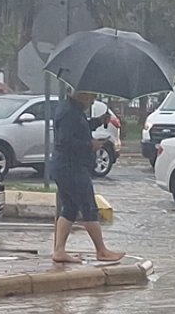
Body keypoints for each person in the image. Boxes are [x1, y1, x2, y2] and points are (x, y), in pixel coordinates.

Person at [50, 90, 124, 264]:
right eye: (91, 96)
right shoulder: (69, 112)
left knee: (70, 208)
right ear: (81, 95)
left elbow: (78, 129)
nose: (93, 100)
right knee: (89, 207)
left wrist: (99, 122)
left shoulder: (72, 110)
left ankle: (59, 250)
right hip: (71, 168)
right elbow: (65, 140)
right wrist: (90, 145)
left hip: (65, 167)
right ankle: (102, 251)